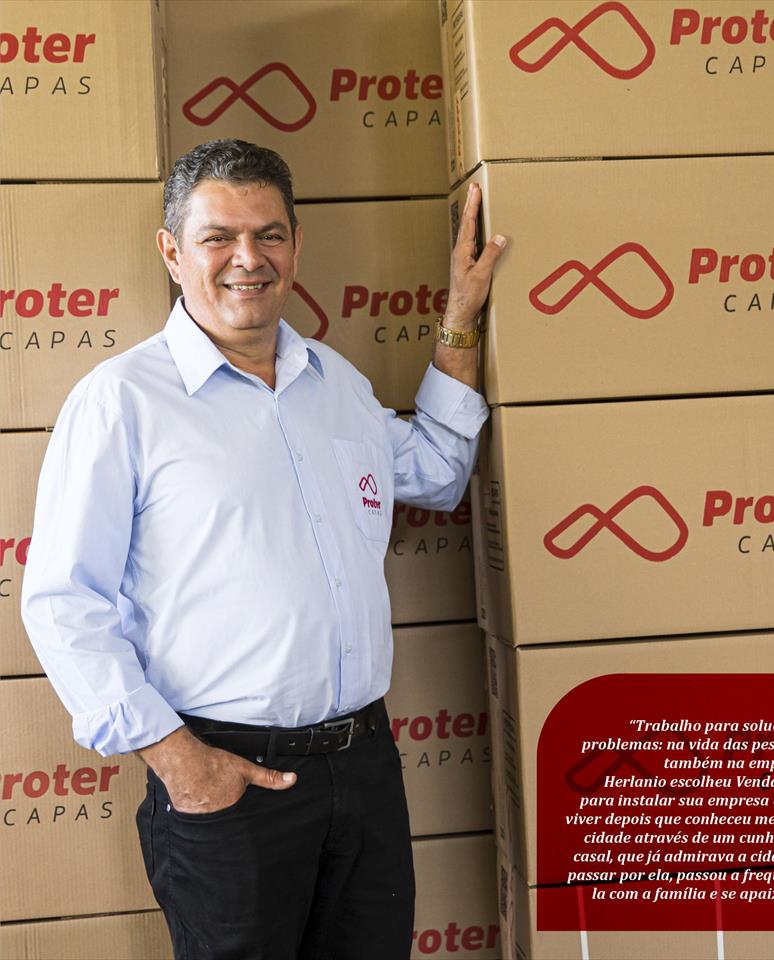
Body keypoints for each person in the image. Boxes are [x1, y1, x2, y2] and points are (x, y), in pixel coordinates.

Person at [21, 139, 506, 960]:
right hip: (226, 779)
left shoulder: (335, 383)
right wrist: (180, 762)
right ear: (172, 252)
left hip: (363, 768)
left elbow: (435, 470)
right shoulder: (121, 402)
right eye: (218, 237)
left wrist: (461, 314)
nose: (248, 259)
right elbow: (65, 603)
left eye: (268, 234)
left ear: (296, 245)